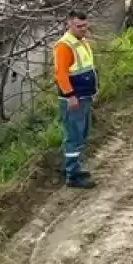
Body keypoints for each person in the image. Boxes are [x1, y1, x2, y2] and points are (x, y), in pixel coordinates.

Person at [53, 10, 97, 189]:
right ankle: (72, 175)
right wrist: (70, 96)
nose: (83, 29)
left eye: (85, 26)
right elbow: (60, 74)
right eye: (79, 26)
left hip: (83, 97)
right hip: (74, 100)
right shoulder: (64, 46)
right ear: (69, 24)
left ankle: (73, 167)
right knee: (74, 136)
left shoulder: (81, 42)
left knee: (81, 134)